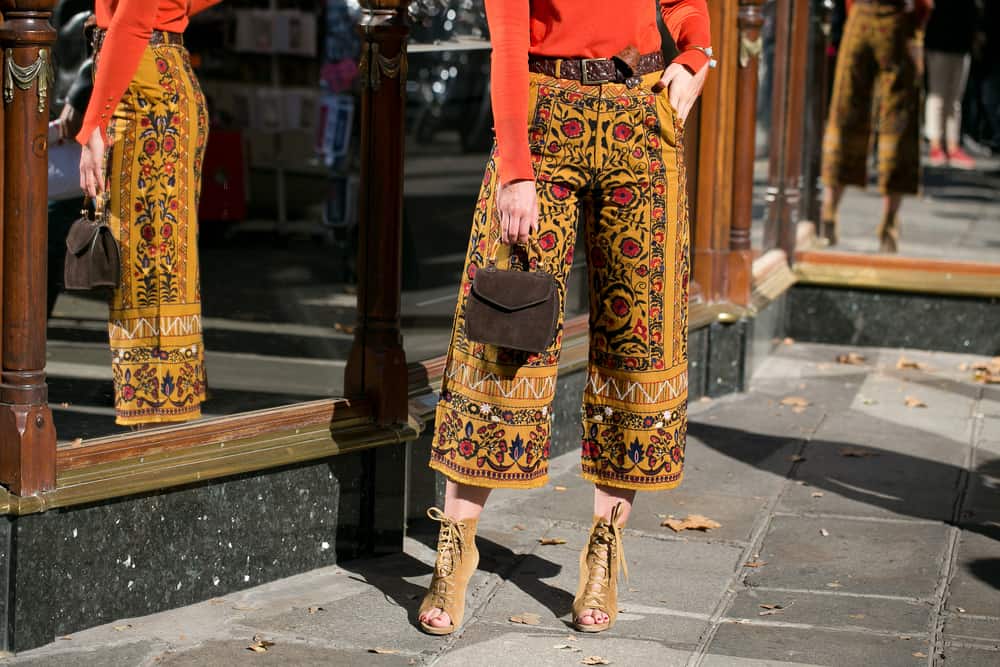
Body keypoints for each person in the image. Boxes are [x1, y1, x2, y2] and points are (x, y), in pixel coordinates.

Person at [418, 0, 712, 636]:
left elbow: (685, 4)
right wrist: (515, 169)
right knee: (502, 337)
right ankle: (456, 546)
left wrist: (696, 53)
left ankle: (604, 550)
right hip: (545, 121)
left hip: (641, 120)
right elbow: (506, 43)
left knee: (639, 341)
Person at [77, 0, 221, 428]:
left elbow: (133, 19)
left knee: (148, 267)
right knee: (155, 265)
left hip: (144, 90)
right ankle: (158, 413)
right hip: (155, 80)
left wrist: (94, 126)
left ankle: (155, 422)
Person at [819, 0, 932, 253]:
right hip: (898, 19)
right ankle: (889, 222)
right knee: (898, 122)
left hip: (861, 15)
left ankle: (829, 211)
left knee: (846, 111)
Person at [924, 0, 978, 169]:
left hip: (961, 45)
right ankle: (936, 145)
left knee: (955, 100)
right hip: (938, 43)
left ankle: (952, 145)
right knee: (937, 96)